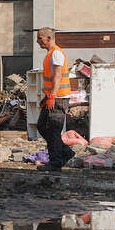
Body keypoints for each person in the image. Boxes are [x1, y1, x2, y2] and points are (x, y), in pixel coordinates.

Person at [35, 28, 76, 171]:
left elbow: (57, 77)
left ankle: (56, 162)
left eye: (40, 38)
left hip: (58, 98)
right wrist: (47, 97)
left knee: (53, 131)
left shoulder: (56, 53)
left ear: (48, 38)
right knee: (42, 126)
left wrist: (52, 96)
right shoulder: (51, 54)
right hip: (53, 97)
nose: (37, 41)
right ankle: (65, 152)